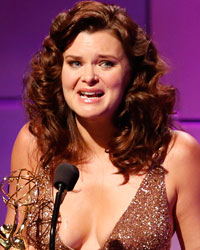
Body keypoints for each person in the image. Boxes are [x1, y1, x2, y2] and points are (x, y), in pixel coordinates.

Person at [1, 1, 200, 249]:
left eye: (106, 63)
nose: (89, 77)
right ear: (59, 70)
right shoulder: (34, 143)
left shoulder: (175, 154)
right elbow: (11, 244)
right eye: (75, 63)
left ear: (132, 73)